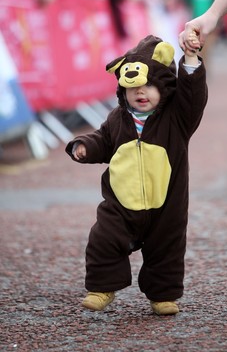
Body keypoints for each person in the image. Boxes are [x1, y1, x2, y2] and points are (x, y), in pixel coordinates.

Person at [65, 33, 208, 315]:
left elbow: (193, 97)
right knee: (103, 239)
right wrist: (83, 146)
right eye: (134, 89)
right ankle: (102, 287)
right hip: (120, 201)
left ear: (164, 87)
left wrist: (190, 60)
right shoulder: (118, 118)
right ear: (123, 90)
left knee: (166, 249)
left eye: (149, 87)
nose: (140, 93)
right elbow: (103, 141)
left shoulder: (177, 118)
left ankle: (162, 295)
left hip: (166, 204)